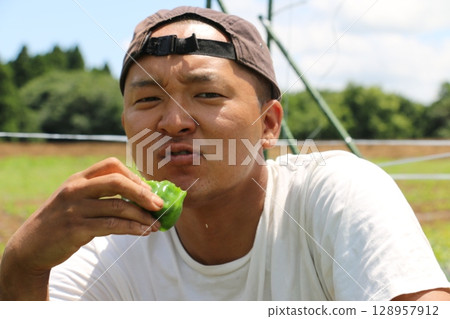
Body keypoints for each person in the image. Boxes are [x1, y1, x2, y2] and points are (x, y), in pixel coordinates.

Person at [0, 6, 449, 301]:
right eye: (147, 100)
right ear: (126, 128)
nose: (173, 122)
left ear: (269, 125)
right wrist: (24, 262)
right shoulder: (107, 246)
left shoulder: (333, 192)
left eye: (208, 94)